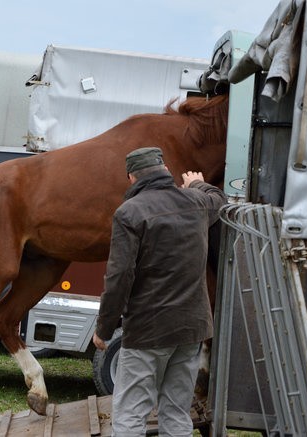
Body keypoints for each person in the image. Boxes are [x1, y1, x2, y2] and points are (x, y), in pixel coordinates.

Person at [92, 147, 226, 437]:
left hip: (148, 331)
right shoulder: (196, 201)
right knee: (177, 412)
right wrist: (196, 183)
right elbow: (220, 200)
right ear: (165, 170)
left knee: (130, 414)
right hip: (192, 328)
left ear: (132, 178)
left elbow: (119, 277)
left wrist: (103, 328)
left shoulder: (130, 213)